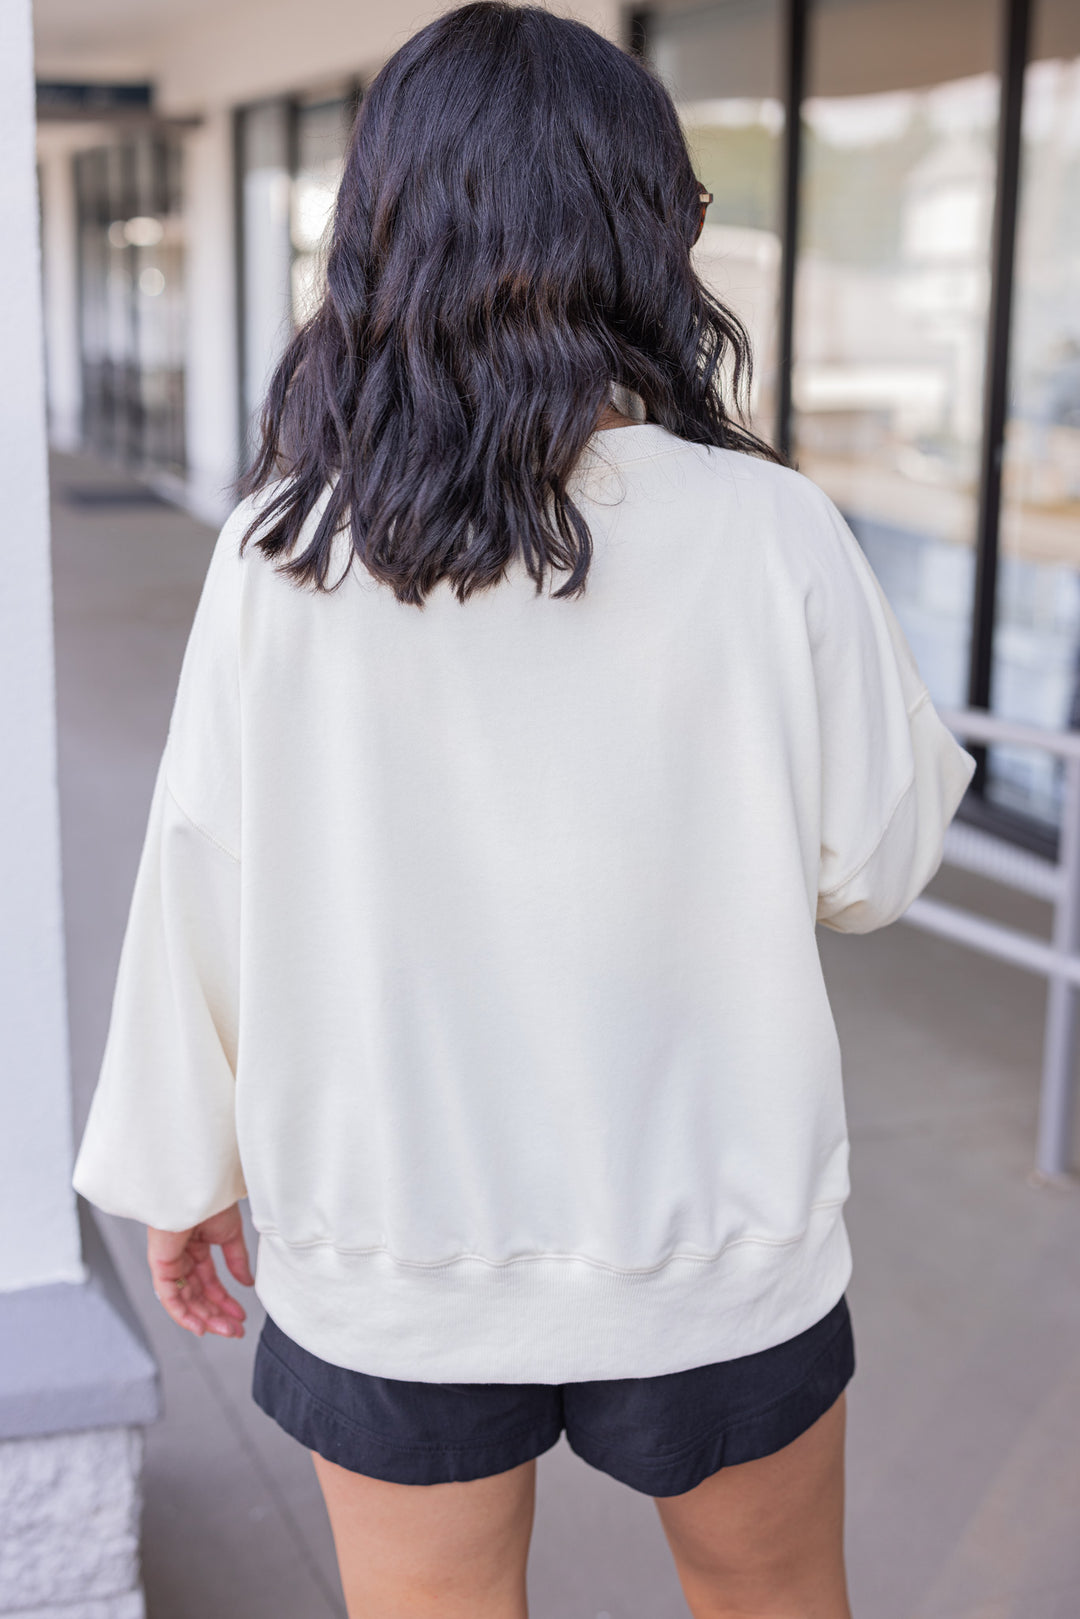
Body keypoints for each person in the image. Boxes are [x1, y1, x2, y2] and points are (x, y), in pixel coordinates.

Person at [71, 5, 977, 1616]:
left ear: (383, 233)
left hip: (389, 1238)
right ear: (646, 235)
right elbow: (876, 865)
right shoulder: (770, 532)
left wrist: (184, 1166)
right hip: (717, 1232)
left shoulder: (286, 547)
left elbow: (200, 879)